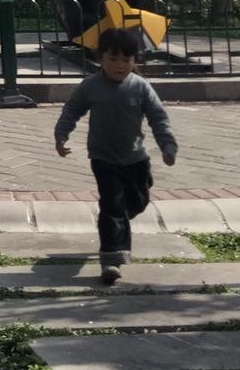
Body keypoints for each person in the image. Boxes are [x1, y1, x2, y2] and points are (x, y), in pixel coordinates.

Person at [53, 26, 178, 284]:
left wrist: (168, 146)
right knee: (111, 206)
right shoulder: (90, 86)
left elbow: (158, 118)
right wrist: (61, 135)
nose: (120, 65)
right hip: (103, 158)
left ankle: (119, 219)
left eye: (126, 59)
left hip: (136, 158)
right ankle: (111, 260)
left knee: (139, 201)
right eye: (113, 58)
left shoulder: (140, 87)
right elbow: (72, 110)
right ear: (100, 58)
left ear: (134, 60)